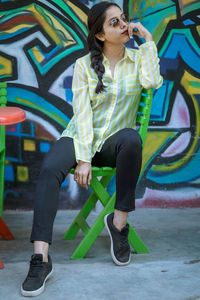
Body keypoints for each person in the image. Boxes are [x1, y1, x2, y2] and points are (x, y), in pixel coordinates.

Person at [21, 1, 163, 297]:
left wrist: (148, 41)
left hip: (113, 143)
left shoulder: (138, 60)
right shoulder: (85, 65)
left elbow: (152, 81)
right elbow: (82, 114)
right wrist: (83, 158)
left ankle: (119, 223)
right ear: (100, 35)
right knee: (48, 170)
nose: (124, 25)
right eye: (114, 23)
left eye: (123, 19)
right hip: (78, 138)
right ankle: (41, 259)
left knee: (132, 139)